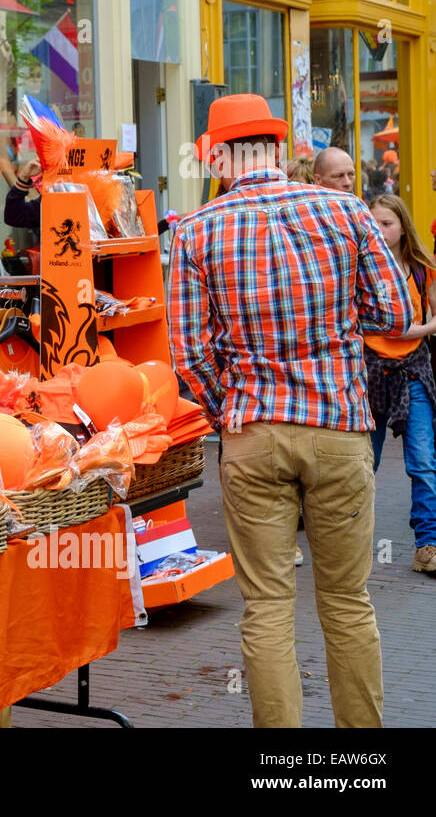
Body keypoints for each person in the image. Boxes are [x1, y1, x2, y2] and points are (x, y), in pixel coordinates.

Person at [169, 94, 410, 728]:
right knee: (348, 601)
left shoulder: (195, 230)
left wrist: (235, 413)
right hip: (338, 426)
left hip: (252, 433)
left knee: (267, 607)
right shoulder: (345, 211)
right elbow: (395, 316)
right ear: (281, 149)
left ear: (220, 156)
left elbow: (190, 356)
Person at [364, 194, 436, 573]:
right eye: (373, 224)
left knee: (423, 462)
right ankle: (353, 543)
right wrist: (408, 330)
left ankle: (427, 545)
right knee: (364, 464)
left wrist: (412, 330)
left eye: (387, 224)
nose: (380, 231)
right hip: (372, 373)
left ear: (403, 226)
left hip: (413, 370)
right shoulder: (361, 268)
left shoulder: (423, 268)